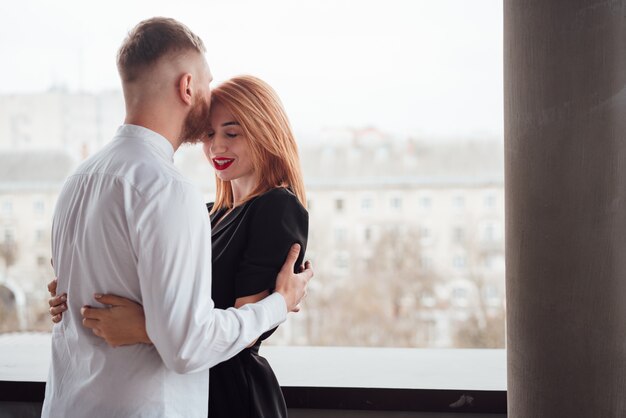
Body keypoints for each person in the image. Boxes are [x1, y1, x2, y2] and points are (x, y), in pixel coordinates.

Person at [42, 18, 312, 418]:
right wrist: (280, 302)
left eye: (231, 133)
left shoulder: (78, 179)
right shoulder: (175, 194)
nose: (214, 140)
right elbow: (185, 342)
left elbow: (182, 333)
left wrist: (144, 325)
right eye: (210, 134)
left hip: (80, 401)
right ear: (187, 86)